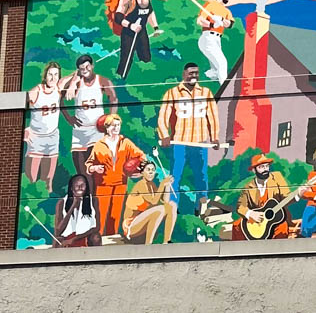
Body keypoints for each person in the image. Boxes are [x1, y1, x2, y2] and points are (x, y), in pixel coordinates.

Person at [158, 63, 223, 215]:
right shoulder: (173, 93)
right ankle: (172, 208)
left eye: (196, 73)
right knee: (176, 176)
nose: (193, 76)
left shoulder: (206, 93)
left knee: (201, 176)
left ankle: (201, 207)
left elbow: (213, 117)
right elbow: (163, 116)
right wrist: (164, 135)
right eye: (191, 73)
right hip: (180, 143)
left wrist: (214, 137)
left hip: (200, 143)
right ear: (184, 74)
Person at [86, 114, 144, 236]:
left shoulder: (125, 142)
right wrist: (94, 168)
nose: (116, 128)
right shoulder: (99, 144)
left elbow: (140, 156)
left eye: (118, 125)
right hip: (103, 184)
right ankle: (98, 238)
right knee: (100, 213)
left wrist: (137, 170)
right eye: (113, 125)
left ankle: (111, 237)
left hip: (120, 183)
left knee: (115, 214)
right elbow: (89, 164)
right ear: (107, 127)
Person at [62, 55, 117, 177]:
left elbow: (113, 99)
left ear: (92, 66)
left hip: (97, 130)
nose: (85, 70)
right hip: (80, 131)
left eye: (87, 66)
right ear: (79, 70)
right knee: (82, 172)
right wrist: (68, 117)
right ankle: (87, 195)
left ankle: (96, 195)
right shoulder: (75, 83)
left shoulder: (102, 81)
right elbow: (59, 97)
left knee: (97, 169)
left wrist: (111, 121)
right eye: (82, 68)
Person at [235, 152, 292, 239]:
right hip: (257, 222)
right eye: (261, 167)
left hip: (276, 218)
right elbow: (240, 206)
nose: (265, 169)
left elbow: (287, 196)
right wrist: (251, 213)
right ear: (254, 170)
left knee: (282, 229)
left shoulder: (277, 177)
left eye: (267, 166)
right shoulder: (248, 187)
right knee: (236, 226)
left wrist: (298, 195)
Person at [114, 0, 162, 79]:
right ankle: (120, 79)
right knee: (126, 58)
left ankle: (146, 79)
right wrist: (131, 26)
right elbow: (118, 17)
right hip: (128, 33)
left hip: (142, 32)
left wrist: (155, 27)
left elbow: (150, 13)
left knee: (146, 57)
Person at [23, 62, 63, 187]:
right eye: (50, 74)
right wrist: (25, 130)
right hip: (36, 136)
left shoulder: (59, 89)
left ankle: (47, 193)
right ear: (45, 76)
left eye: (56, 74)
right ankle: (32, 193)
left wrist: (73, 83)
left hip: (52, 135)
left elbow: (74, 76)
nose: (53, 78)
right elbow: (19, 105)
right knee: (32, 176)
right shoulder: (36, 91)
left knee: (49, 177)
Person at [120, 158, 177, 244]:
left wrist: (167, 186)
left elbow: (165, 200)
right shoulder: (141, 184)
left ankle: (167, 241)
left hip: (142, 221)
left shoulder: (152, 185)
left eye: (153, 170)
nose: (151, 172)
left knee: (172, 205)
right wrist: (162, 184)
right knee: (160, 209)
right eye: (148, 170)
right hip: (131, 225)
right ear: (142, 173)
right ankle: (148, 244)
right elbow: (154, 201)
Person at [195, 0, 235, 81]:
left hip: (217, 40)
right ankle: (225, 91)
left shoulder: (226, 11)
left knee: (217, 68)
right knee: (222, 63)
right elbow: (200, 20)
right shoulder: (210, 4)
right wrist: (212, 24)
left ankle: (212, 72)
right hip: (208, 37)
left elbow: (229, 24)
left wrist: (221, 19)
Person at [52, 174, 101, 247]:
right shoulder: (62, 203)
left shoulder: (93, 200)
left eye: (82, 185)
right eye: (77, 185)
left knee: (96, 237)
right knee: (57, 241)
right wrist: (72, 206)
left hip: (84, 236)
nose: (80, 188)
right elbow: (57, 232)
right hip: (67, 237)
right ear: (71, 188)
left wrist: (74, 239)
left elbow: (97, 227)